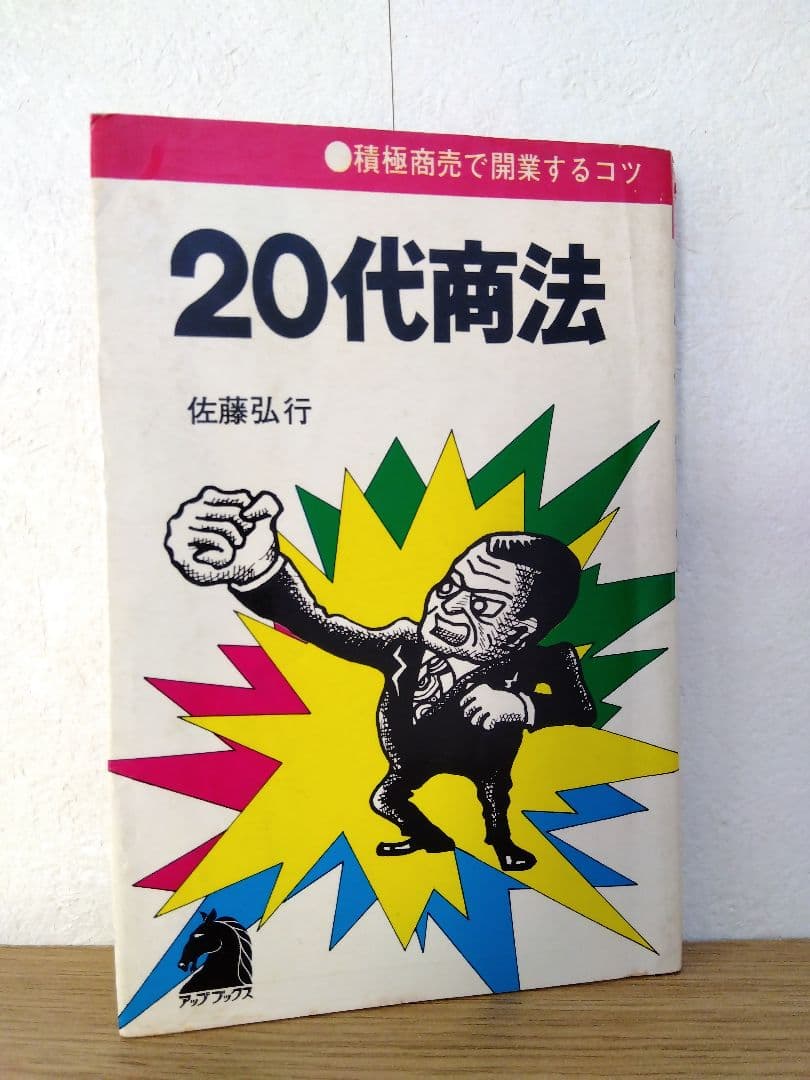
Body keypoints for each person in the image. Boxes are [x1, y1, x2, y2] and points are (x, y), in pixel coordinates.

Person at [166, 486, 595, 871]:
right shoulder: (402, 644)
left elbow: (580, 708)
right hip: (413, 755)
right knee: (385, 799)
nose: (448, 607)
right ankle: (430, 838)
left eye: (481, 605)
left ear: (520, 631)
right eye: (450, 587)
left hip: (485, 757)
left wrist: (520, 705)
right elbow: (319, 625)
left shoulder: (544, 661)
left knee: (494, 797)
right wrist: (258, 570)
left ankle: (502, 845)